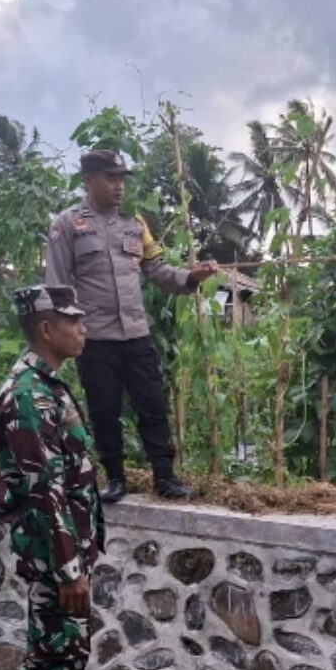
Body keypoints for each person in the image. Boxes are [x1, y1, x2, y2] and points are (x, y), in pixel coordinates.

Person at [0, 283, 114, 670]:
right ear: (46, 328)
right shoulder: (28, 397)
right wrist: (69, 568)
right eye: (73, 320)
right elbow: (45, 494)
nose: (83, 328)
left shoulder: (45, 385)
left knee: (48, 645)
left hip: (59, 546)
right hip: (53, 551)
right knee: (65, 650)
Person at [45, 148, 219, 503]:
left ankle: (165, 478)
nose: (119, 186)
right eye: (111, 178)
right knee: (104, 411)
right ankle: (116, 479)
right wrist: (66, 337)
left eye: (122, 178)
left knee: (152, 406)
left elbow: (158, 271)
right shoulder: (67, 225)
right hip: (96, 339)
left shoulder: (135, 223)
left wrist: (192, 277)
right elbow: (57, 287)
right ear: (89, 180)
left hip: (137, 334)